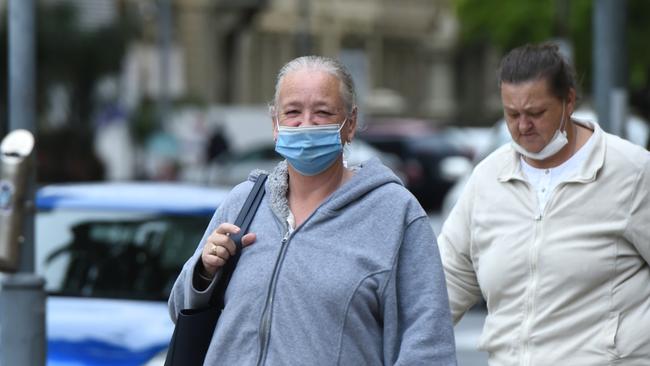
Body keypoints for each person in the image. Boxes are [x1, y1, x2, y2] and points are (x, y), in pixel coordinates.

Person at [168, 56, 457, 365]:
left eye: (322, 112)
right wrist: (203, 270)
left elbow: (428, 345)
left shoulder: (394, 214)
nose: (306, 123)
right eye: (292, 112)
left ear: (351, 123)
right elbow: (179, 311)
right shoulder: (242, 203)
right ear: (275, 124)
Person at [438, 42, 650, 365]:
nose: (522, 126)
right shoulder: (487, 179)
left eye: (535, 113)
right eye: (512, 114)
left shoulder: (631, 171)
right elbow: (444, 283)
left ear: (569, 101)